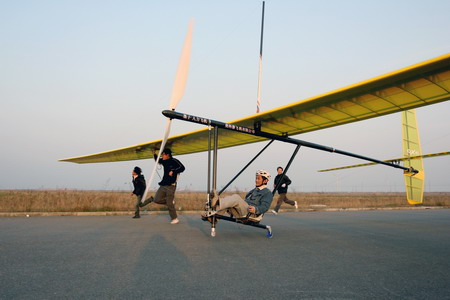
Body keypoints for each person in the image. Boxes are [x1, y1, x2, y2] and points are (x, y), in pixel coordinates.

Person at [204, 170, 273, 219]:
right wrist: (231, 209)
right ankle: (213, 218)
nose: (256, 180)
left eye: (258, 179)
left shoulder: (267, 193)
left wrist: (256, 209)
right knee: (230, 202)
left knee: (236, 197)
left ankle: (216, 202)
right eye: (256, 178)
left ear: (265, 181)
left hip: (251, 213)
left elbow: (265, 207)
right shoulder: (253, 191)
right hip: (243, 211)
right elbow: (245, 201)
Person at [140, 148, 185, 224]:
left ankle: (174, 218)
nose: (162, 156)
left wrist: (173, 171)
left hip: (171, 186)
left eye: (163, 154)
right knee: (156, 199)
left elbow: (182, 168)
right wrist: (154, 154)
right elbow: (158, 160)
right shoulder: (164, 161)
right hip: (163, 184)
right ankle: (170, 202)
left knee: (169, 203)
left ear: (167, 155)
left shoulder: (174, 161)